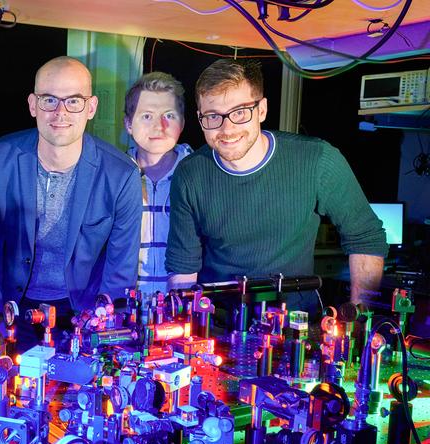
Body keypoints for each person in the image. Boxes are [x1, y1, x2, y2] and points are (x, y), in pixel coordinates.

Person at [165, 59, 387, 308]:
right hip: (218, 324)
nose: (227, 129)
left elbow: (366, 238)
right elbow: (183, 267)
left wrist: (358, 319)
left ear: (261, 110)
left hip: (295, 324)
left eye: (239, 113)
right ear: (200, 118)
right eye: (213, 116)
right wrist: (184, 329)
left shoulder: (317, 160)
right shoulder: (189, 174)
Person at [0, 56, 142, 347]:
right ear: (32, 105)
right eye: (49, 100)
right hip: (12, 308)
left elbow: (120, 270)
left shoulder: (121, 175)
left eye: (73, 101)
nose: (60, 112)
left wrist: (101, 333)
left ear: (91, 107)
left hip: (82, 315)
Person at [123, 72, 192, 296]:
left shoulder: (198, 176)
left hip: (182, 306)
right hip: (125, 306)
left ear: (182, 122)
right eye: (147, 116)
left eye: (169, 115)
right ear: (128, 124)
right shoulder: (114, 177)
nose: (159, 126)